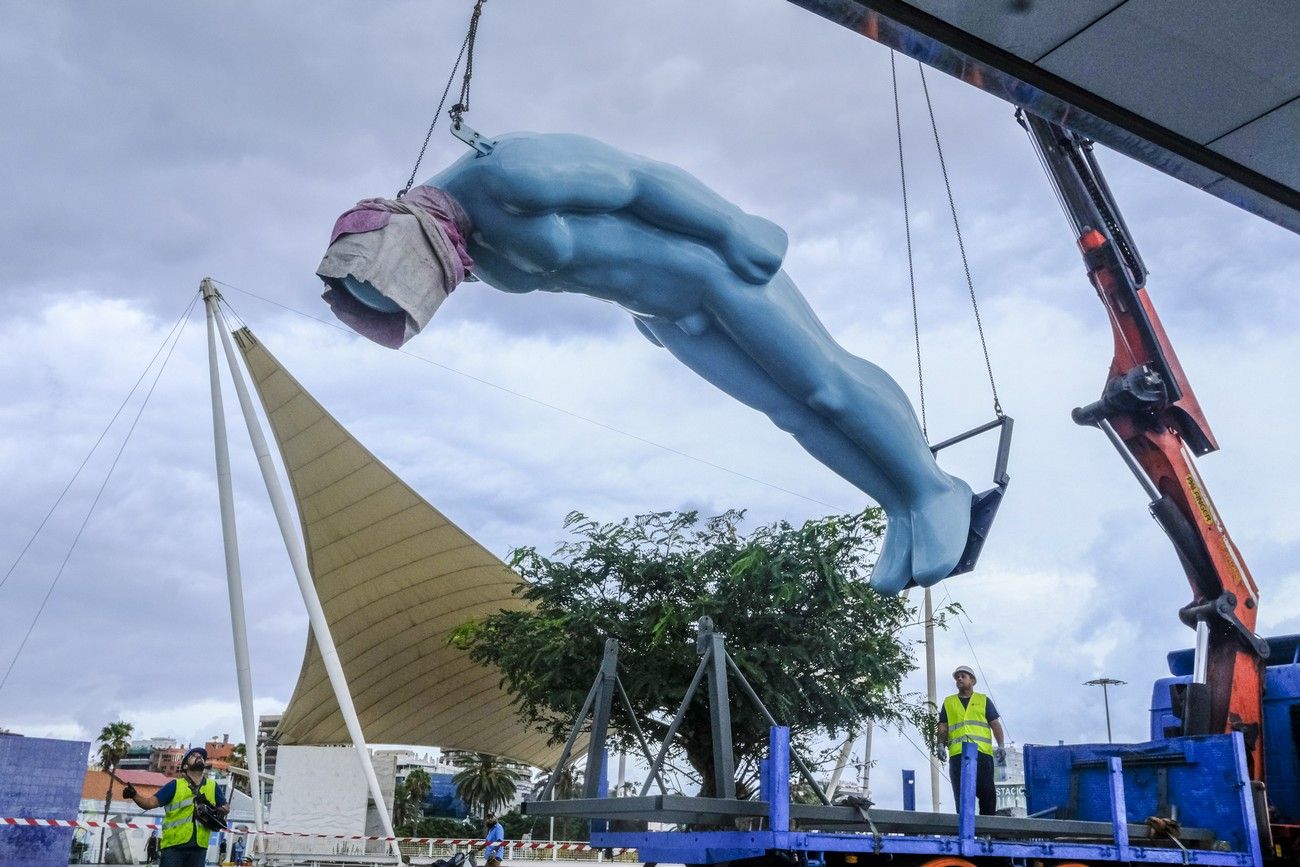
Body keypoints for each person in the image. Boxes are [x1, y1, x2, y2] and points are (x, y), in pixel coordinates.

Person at [318, 131, 977, 595]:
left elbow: (637, 181)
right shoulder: (469, 251)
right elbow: (579, 270)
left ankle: (931, 488)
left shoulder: (506, 172)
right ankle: (899, 505)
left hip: (720, 275)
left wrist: (730, 228)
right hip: (666, 315)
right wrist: (644, 312)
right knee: (791, 415)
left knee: (823, 385)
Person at [122, 747, 228, 867]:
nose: (199, 756)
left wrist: (222, 810)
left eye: (201, 756)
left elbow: (225, 806)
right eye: (193, 756)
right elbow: (150, 803)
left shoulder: (213, 786)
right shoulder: (174, 786)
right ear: (185, 766)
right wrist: (134, 795)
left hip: (199, 849)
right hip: (173, 848)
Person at [937, 664, 1006, 816]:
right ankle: (964, 826)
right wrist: (940, 744)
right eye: (957, 677)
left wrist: (1001, 745)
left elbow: (995, 724)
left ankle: (987, 827)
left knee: (987, 793)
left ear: (972, 681)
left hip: (982, 754)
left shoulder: (983, 700)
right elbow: (943, 726)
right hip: (958, 755)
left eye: (963, 676)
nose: (959, 679)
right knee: (961, 795)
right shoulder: (949, 702)